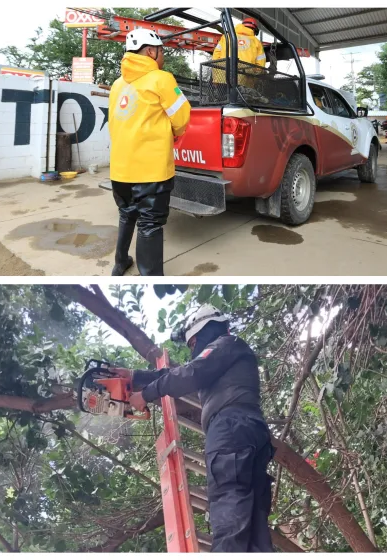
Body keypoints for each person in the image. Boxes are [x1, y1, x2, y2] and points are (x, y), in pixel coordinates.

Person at [115, 305, 273, 551]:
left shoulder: (225, 344)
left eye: (192, 344)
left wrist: (145, 394)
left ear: (203, 332)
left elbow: (191, 373)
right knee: (254, 529)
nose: (192, 350)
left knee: (229, 509)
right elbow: (178, 373)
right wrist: (135, 376)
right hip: (252, 432)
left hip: (229, 428)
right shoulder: (229, 355)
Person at [108, 29, 191, 276]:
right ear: (151, 51)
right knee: (150, 224)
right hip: (151, 171)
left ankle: (120, 263)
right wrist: (173, 131)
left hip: (120, 170)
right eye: (162, 51)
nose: (163, 56)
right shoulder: (161, 78)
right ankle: (151, 280)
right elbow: (183, 118)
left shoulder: (117, 85)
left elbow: (115, 124)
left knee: (126, 214)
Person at [211, 18, 266, 87]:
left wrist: (215, 78)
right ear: (254, 30)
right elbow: (260, 67)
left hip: (223, 78)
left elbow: (215, 58)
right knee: (240, 97)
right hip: (245, 81)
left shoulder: (226, 37)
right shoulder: (257, 42)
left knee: (224, 97)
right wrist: (254, 79)